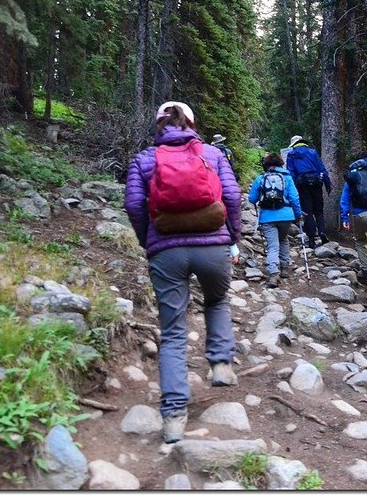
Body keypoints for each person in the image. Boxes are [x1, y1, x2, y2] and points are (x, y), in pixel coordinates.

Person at [124, 101, 242, 444]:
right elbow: (232, 197)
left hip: (167, 251)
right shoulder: (212, 154)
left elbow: (133, 204)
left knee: (174, 332)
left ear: (158, 125)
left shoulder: (145, 159)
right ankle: (221, 364)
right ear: (191, 123)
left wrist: (150, 240)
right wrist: (232, 237)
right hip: (213, 247)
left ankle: (174, 417)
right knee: (217, 300)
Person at [248, 152, 302, 288]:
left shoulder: (261, 178)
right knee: (283, 240)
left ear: (265, 165)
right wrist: (298, 215)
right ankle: (284, 268)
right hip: (286, 216)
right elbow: (294, 198)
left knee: (272, 245)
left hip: (267, 217)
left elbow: (252, 199)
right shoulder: (287, 178)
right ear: (280, 164)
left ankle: (273, 274)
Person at [340, 151, 367, 295]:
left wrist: (345, 218)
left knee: (360, 241)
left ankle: (366, 270)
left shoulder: (353, 175)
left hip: (359, 214)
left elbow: (345, 198)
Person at [285, 135, 332, 249]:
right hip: (316, 183)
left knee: (307, 212)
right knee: (319, 211)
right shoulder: (312, 152)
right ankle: (321, 232)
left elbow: (291, 172)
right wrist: (327, 184)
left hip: (302, 185)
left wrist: (292, 188)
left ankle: (311, 240)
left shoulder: (291, 155)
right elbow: (321, 168)